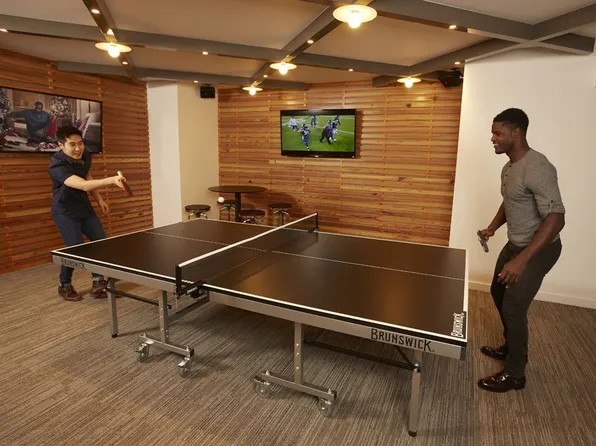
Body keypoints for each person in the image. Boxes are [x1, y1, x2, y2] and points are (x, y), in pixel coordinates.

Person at [477, 108, 565, 392]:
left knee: (514, 306)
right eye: (493, 133)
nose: (493, 138)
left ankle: (515, 374)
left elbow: (556, 218)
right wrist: (492, 227)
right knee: (498, 291)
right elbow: (510, 200)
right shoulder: (509, 167)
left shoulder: (538, 167)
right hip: (515, 244)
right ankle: (511, 345)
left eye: (498, 133)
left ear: (516, 133)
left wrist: (522, 260)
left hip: (539, 249)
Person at [49, 125, 126, 301]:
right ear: (61, 145)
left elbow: (88, 177)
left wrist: (99, 200)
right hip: (65, 210)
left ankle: (98, 283)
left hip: (84, 207)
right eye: (72, 145)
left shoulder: (85, 155)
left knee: (100, 243)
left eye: (80, 143)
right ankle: (64, 285)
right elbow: (82, 185)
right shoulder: (57, 165)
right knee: (74, 249)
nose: (78, 148)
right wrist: (111, 180)